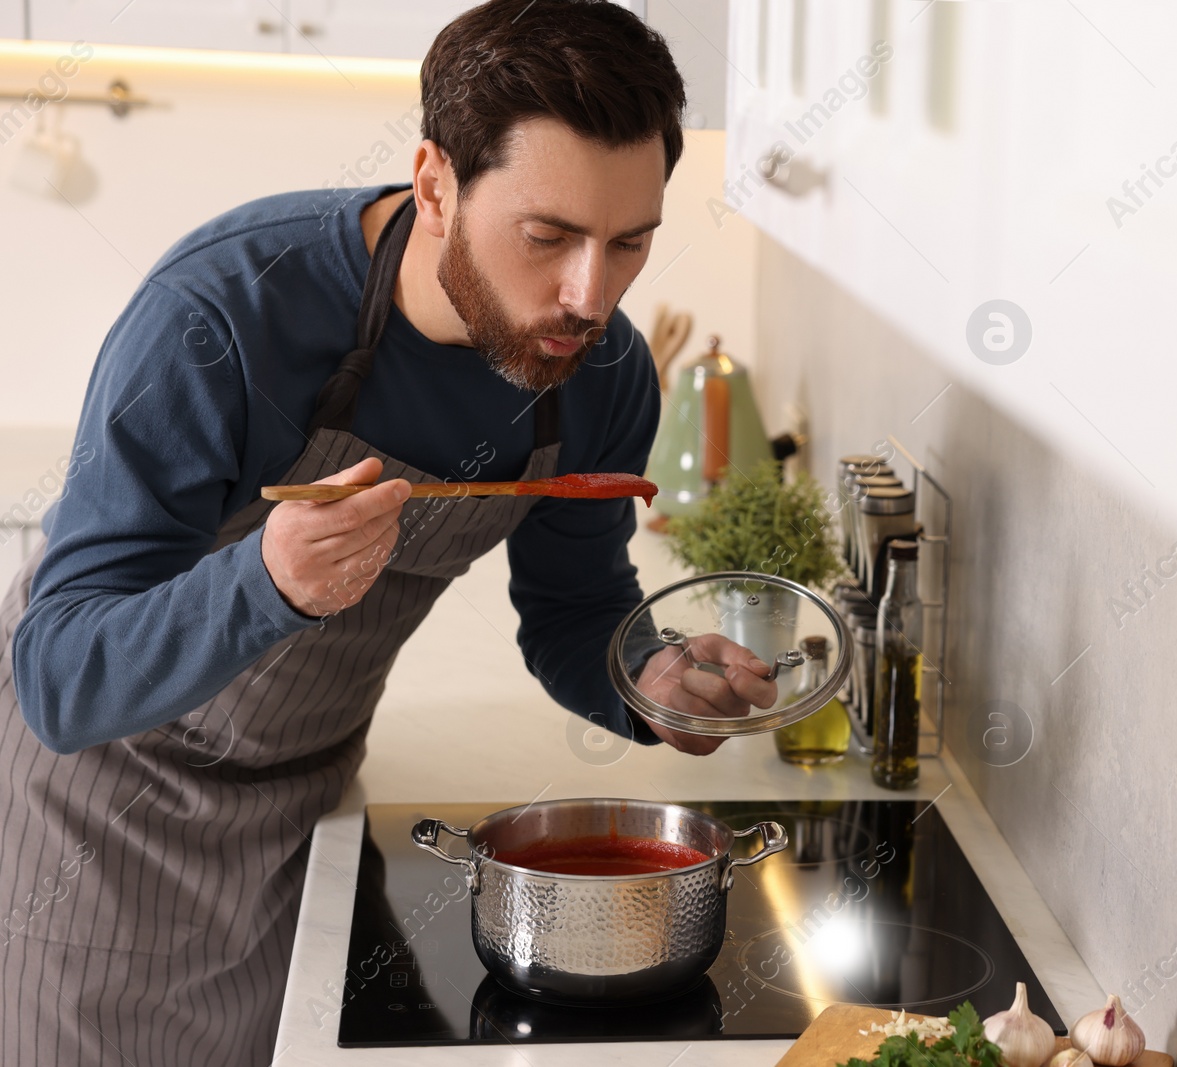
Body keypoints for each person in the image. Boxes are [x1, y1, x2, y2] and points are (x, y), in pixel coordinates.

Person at [0, 2, 774, 1063]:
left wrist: (651, 685)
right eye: (547, 237)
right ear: (434, 184)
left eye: (627, 242)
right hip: (100, 819)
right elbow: (58, 680)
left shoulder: (602, 373)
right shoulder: (221, 315)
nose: (589, 296)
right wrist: (263, 583)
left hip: (308, 804)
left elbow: (573, 610)